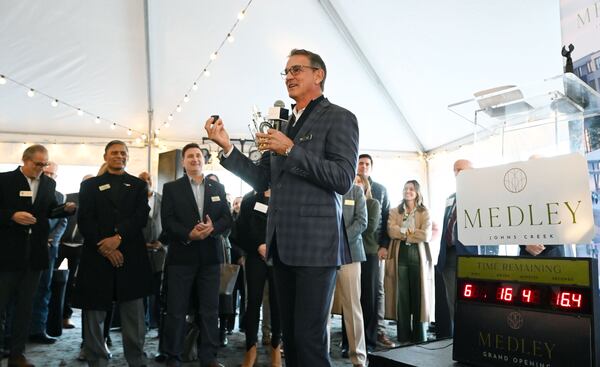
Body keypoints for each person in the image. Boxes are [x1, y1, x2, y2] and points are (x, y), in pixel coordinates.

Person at [205, 48, 359, 366]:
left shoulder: (340, 118)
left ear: (319, 74)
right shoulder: (284, 125)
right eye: (286, 72)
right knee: (290, 340)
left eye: (297, 69)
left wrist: (291, 150)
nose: (289, 76)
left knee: (310, 342)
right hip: (283, 246)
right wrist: (228, 149)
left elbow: (343, 178)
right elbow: (262, 178)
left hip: (316, 247)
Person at [74, 140, 152, 367]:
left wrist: (117, 239)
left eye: (123, 153)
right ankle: (97, 359)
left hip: (130, 257)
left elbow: (140, 217)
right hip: (97, 257)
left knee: (134, 317)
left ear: (127, 157)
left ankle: (136, 360)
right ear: (105, 156)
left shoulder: (138, 185)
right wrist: (105, 247)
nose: (119, 156)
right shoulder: (90, 186)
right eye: (114, 153)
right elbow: (85, 219)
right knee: (94, 315)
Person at [0, 144, 76, 367]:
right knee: (2, 305)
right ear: (25, 160)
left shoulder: (49, 183)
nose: (41, 169)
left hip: (35, 255)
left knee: (26, 307)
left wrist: (65, 209)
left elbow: (49, 211)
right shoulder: (4, 180)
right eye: (37, 164)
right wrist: (12, 216)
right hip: (7, 254)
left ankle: (17, 354)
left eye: (45, 164)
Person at [161, 143, 232, 367]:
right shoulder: (171, 188)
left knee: (210, 311)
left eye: (198, 155)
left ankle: (208, 357)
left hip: (211, 259)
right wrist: (188, 234)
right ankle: (173, 356)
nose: (195, 159)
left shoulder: (217, 188)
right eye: (190, 156)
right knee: (176, 310)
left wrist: (214, 228)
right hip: (181, 258)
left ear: (204, 160)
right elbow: (168, 221)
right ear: (183, 162)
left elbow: (227, 220)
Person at [230, 190, 282, 367]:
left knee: (277, 304)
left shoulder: (285, 196)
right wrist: (258, 246)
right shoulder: (249, 200)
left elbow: (291, 226)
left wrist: (273, 247)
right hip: (255, 256)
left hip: (279, 257)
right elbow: (241, 231)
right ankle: (250, 349)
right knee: (252, 303)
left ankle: (276, 347)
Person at [381, 180, 434, 343]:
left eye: (411, 189)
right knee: (401, 297)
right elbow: (391, 231)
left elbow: (426, 235)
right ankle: (403, 335)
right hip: (400, 256)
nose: (408, 191)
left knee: (419, 296)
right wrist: (410, 232)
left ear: (417, 192)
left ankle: (420, 336)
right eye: (405, 189)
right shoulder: (394, 211)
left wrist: (403, 232)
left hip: (418, 257)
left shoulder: (425, 211)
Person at [434, 159, 479, 338]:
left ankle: (472, 338)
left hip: (469, 256)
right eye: (455, 170)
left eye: (461, 169)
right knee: (453, 301)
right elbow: (447, 226)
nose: (457, 173)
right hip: (448, 255)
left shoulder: (480, 196)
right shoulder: (451, 197)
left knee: (470, 302)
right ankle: (459, 340)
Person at [357, 154, 394, 348]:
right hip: (353, 249)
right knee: (356, 292)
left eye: (367, 164)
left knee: (376, 291)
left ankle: (378, 331)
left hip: (374, 248)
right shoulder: (348, 185)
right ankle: (354, 336)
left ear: (371, 167)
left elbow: (386, 218)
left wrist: (384, 246)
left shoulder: (380, 190)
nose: (363, 167)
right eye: (360, 163)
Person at [29, 161, 68, 344]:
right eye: (47, 172)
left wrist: (52, 240)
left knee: (44, 288)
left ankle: (38, 329)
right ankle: (11, 333)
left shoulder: (59, 195)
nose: (50, 176)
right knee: (19, 290)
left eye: (53, 174)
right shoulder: (29, 190)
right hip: (26, 247)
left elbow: (62, 222)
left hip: (49, 249)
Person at [332, 183, 367, 366]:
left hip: (350, 254)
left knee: (353, 307)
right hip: (323, 255)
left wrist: (339, 240)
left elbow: (362, 221)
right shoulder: (324, 186)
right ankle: (320, 356)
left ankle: (359, 358)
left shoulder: (356, 191)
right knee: (322, 309)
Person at [57, 174, 93, 330]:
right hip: (61, 244)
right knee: (52, 280)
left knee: (72, 283)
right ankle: (50, 316)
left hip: (81, 246)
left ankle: (66, 316)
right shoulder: (69, 197)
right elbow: (58, 217)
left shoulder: (96, 201)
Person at [354, 173, 381, 353]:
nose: (356, 184)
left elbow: (369, 227)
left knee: (369, 299)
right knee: (352, 300)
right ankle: (350, 342)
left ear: (365, 185)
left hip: (369, 254)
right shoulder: (344, 201)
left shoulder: (373, 203)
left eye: (359, 181)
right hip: (352, 254)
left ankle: (369, 341)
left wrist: (350, 229)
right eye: (353, 181)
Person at [138, 172, 164, 330]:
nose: (146, 182)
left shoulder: (162, 199)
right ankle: (143, 323)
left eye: (148, 179)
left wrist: (162, 242)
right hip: (139, 251)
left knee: (158, 291)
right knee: (141, 291)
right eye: (142, 180)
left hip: (160, 251)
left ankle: (157, 324)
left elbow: (168, 221)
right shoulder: (133, 200)